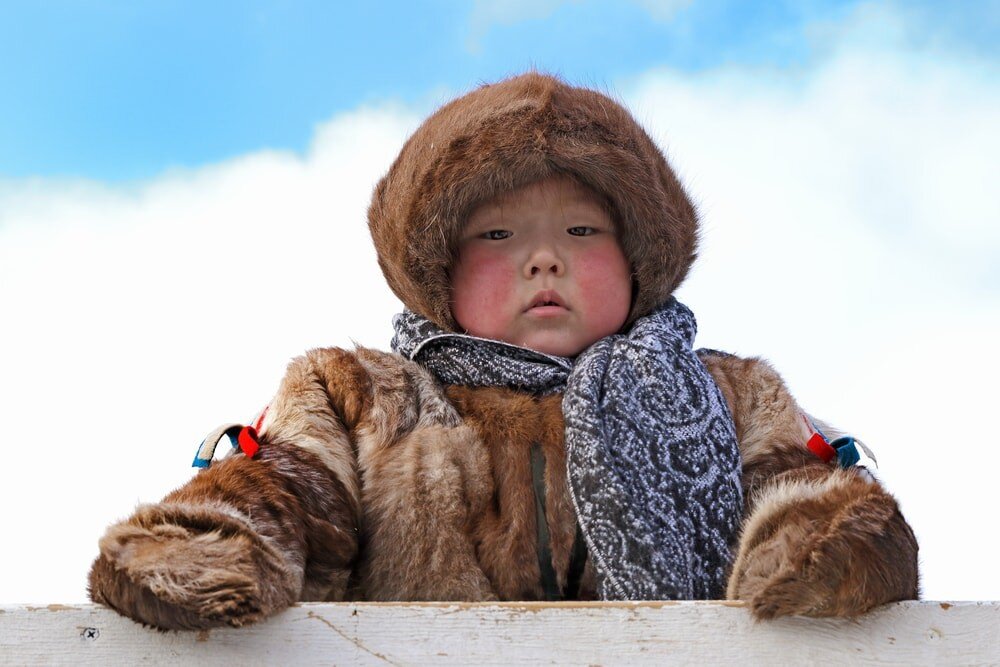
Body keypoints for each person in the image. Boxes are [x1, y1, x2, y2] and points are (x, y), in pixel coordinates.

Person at [88, 72, 918, 630]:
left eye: (582, 231)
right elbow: (294, 489)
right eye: (499, 234)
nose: (544, 258)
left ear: (638, 259)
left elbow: (796, 482)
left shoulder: (724, 395)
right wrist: (223, 540)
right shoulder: (362, 392)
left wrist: (829, 539)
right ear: (439, 268)